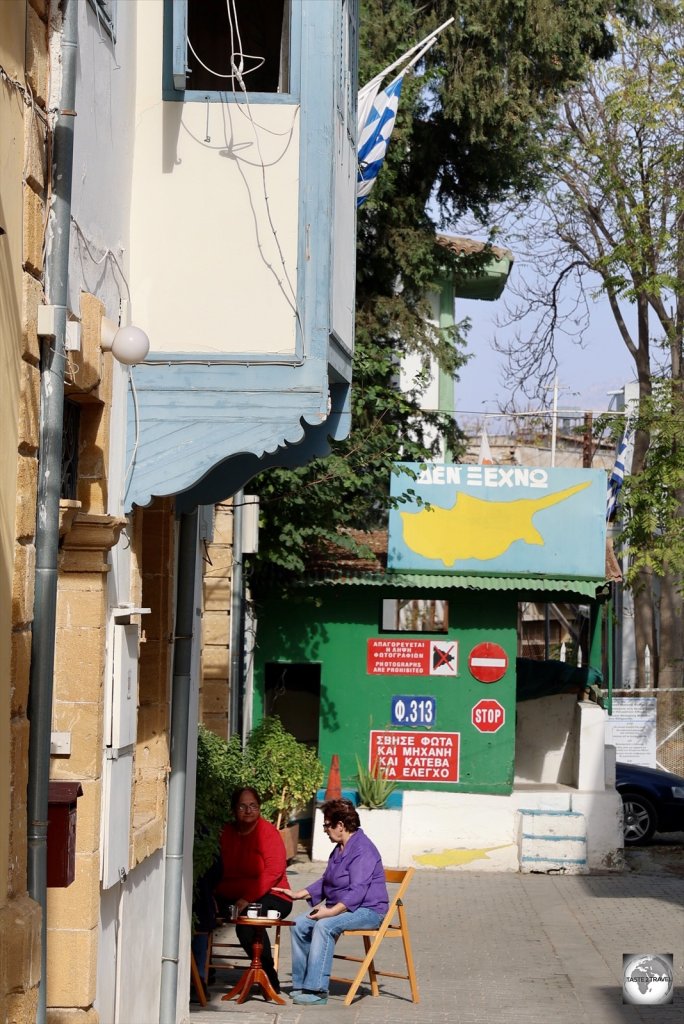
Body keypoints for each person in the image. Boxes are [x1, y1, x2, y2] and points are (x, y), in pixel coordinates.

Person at [273, 797, 388, 1006]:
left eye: (327, 825)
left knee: (324, 926)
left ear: (341, 825)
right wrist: (301, 893)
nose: (325, 830)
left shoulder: (363, 850)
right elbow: (328, 880)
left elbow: (358, 890)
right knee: (299, 924)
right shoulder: (340, 848)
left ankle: (317, 990)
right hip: (345, 908)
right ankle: (301, 984)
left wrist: (331, 912)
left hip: (368, 909)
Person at [214, 786, 292, 993]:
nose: (248, 810)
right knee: (198, 911)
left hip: (272, 895)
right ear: (233, 809)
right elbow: (215, 869)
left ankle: (267, 977)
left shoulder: (267, 832)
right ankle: (201, 975)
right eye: (242, 806)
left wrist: (246, 898)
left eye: (253, 806)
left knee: (247, 922)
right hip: (231, 897)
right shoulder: (226, 832)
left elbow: (274, 871)